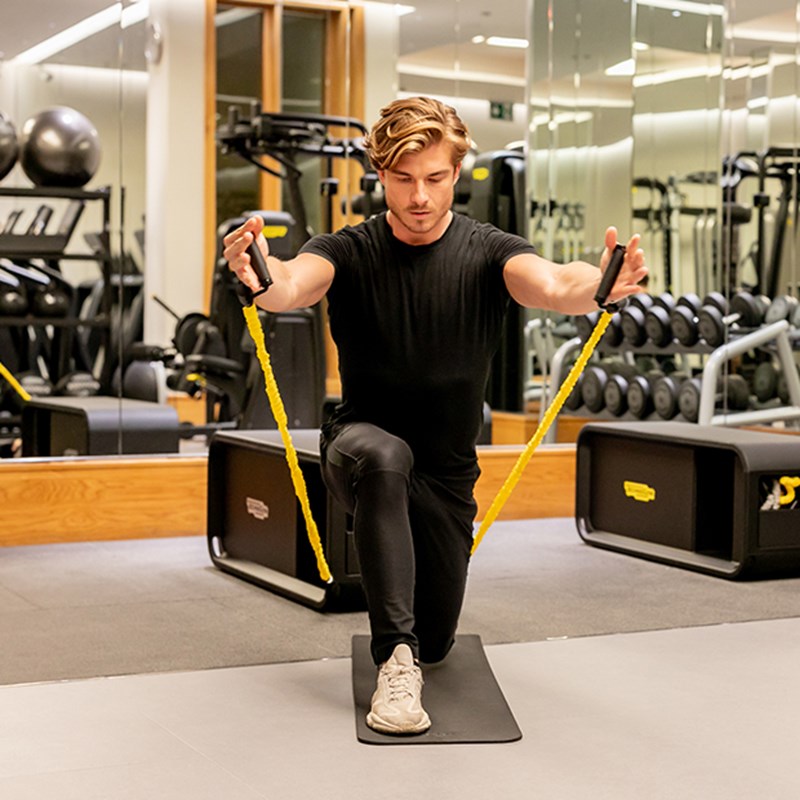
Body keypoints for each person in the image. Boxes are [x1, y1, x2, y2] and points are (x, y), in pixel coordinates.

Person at [223, 95, 647, 735]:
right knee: (385, 458)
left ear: (456, 172)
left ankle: (417, 645)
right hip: (360, 447)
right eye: (402, 179)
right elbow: (290, 282)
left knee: (440, 639)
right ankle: (395, 662)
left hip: (447, 474)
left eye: (435, 178)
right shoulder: (349, 249)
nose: (419, 196)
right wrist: (259, 269)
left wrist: (600, 284)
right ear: (381, 173)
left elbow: (557, 282)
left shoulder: (489, 251)